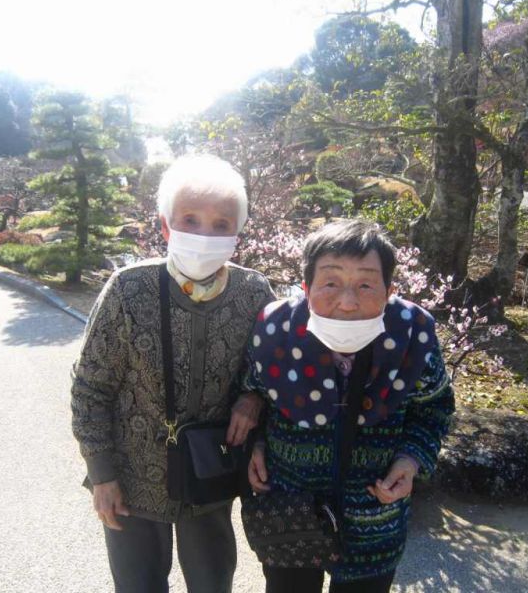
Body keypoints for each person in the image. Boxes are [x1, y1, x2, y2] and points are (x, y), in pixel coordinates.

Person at [70, 154, 275, 593]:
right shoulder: (128, 289)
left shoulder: (254, 292)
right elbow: (90, 388)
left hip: (210, 474)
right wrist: (102, 474)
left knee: (213, 583)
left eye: (221, 224)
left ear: (236, 235)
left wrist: (253, 398)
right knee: (138, 585)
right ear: (166, 227)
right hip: (131, 477)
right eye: (190, 220)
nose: (204, 234)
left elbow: (268, 372)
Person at [245, 219, 455, 593]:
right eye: (330, 283)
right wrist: (257, 444)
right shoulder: (275, 330)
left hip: (375, 520)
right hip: (290, 512)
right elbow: (255, 396)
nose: (347, 302)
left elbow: (434, 409)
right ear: (306, 287)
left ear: (389, 291)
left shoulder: (412, 337)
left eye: (365, 285)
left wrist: (410, 460)